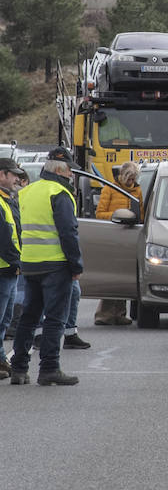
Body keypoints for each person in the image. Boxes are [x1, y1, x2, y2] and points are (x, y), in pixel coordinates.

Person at [9, 148, 84, 386]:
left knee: (29, 318)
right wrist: (76, 264)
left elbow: (19, 227)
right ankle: (49, 368)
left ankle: (19, 369)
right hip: (55, 264)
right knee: (55, 319)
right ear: (61, 170)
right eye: (71, 170)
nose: (72, 175)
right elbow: (68, 232)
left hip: (30, 262)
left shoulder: (27, 192)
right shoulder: (60, 193)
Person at [94, 161, 142, 326]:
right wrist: (117, 216)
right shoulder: (109, 189)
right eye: (129, 178)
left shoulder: (138, 191)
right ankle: (104, 314)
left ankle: (120, 313)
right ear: (122, 176)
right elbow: (99, 213)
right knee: (112, 276)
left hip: (130, 236)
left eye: (134, 179)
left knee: (124, 275)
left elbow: (141, 212)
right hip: (112, 235)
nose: (131, 182)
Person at [0, 158, 24, 378]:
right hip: (4, 269)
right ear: (1, 175)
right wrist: (16, 261)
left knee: (6, 319)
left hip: (9, 269)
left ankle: (1, 361)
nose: (17, 178)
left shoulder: (8, 199)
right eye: (13, 174)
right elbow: (4, 239)